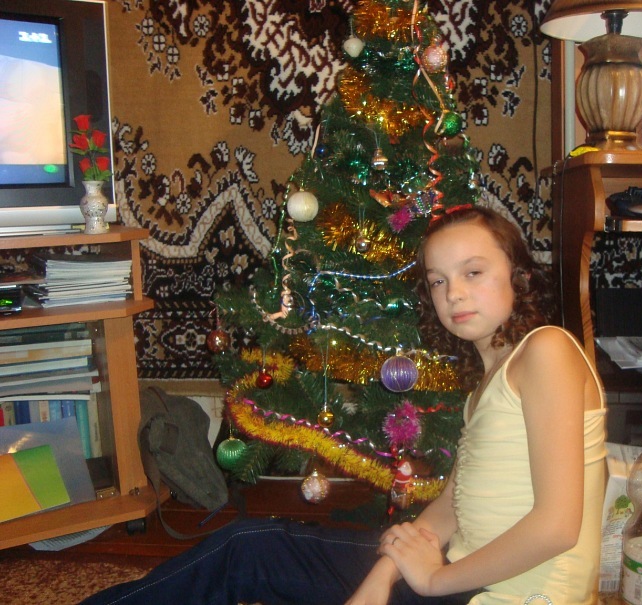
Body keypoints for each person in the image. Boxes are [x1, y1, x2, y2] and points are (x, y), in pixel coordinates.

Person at [81, 205, 606, 605]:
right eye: (438, 281)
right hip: (463, 572)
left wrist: (432, 579)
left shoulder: (547, 351)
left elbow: (557, 527)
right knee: (250, 546)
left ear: (518, 276)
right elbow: (456, 502)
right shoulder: (493, 378)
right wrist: (383, 575)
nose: (454, 294)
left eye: (473, 272)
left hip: (511, 593)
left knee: (252, 550)